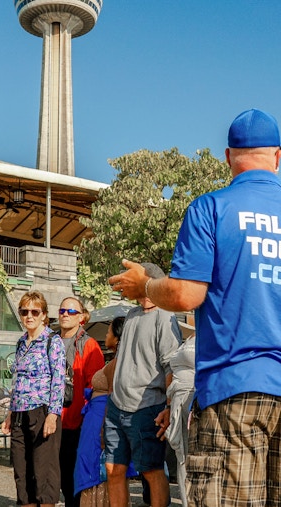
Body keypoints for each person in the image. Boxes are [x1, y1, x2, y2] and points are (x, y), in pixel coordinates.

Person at [109, 108, 281, 507]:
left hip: (234, 388)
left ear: (227, 157)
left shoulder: (211, 208)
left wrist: (146, 284)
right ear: (277, 157)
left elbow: (187, 295)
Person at [104, 263, 181, 507]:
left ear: (147, 280)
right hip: (117, 407)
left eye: (129, 279)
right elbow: (122, 359)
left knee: (151, 470)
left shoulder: (166, 316)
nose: (124, 284)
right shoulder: (131, 315)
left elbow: (171, 366)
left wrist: (169, 406)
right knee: (113, 469)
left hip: (147, 408)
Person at [1, 291, 66, 507]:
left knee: (43, 471)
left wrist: (53, 415)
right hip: (19, 412)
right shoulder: (21, 342)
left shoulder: (52, 341)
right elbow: (16, 380)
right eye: (24, 311)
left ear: (43, 314)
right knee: (22, 470)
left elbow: (58, 379)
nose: (29, 316)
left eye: (34, 311)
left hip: (42, 410)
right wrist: (10, 413)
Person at [74, 316, 137, 507]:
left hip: (102, 420)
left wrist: (106, 430)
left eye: (109, 332)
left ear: (117, 338)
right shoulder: (117, 361)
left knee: (98, 469)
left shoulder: (120, 363)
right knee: (94, 467)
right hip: (96, 418)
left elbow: (114, 396)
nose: (106, 335)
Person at [58, 297, 105, 507]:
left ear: (82, 317)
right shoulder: (50, 341)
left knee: (72, 479)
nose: (65, 314)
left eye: (71, 311)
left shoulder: (89, 345)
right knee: (54, 476)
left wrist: (91, 424)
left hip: (75, 422)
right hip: (50, 419)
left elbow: (95, 387)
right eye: (62, 310)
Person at [164, 335, 195, 507]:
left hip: (195, 398)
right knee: (181, 457)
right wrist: (168, 407)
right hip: (177, 400)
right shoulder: (189, 337)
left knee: (196, 458)